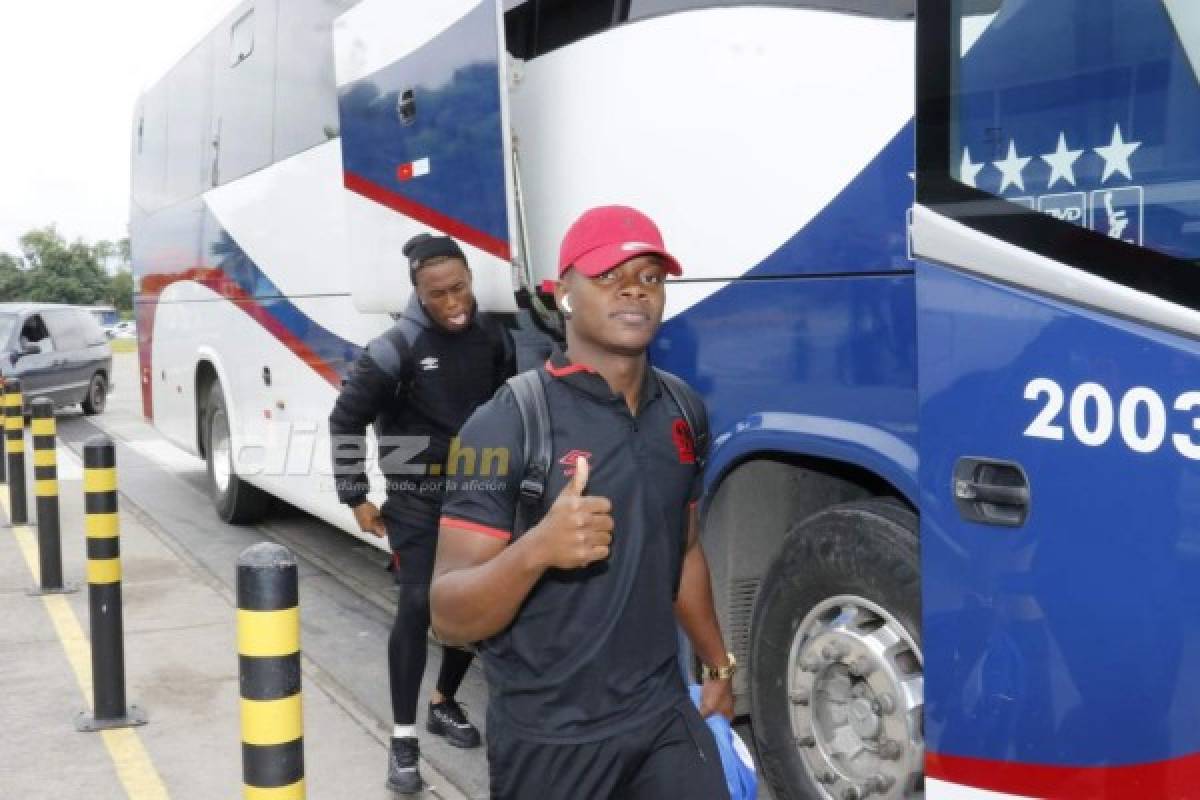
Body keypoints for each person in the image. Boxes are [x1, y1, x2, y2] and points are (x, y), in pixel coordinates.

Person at [430, 206, 736, 800]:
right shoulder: (504, 423)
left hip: (662, 716)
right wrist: (536, 551)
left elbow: (686, 547)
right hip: (550, 741)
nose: (634, 290)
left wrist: (717, 663)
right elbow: (448, 615)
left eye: (650, 276)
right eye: (607, 275)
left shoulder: (683, 410)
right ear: (561, 293)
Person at [328, 233, 515, 794]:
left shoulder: (493, 337)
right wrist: (355, 494)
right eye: (438, 293)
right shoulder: (395, 348)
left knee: (475, 605)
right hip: (414, 493)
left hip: (478, 489)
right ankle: (403, 737)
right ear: (417, 292)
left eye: (460, 288)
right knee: (417, 605)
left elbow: (509, 408)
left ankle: (443, 701)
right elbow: (345, 420)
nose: (453, 302)